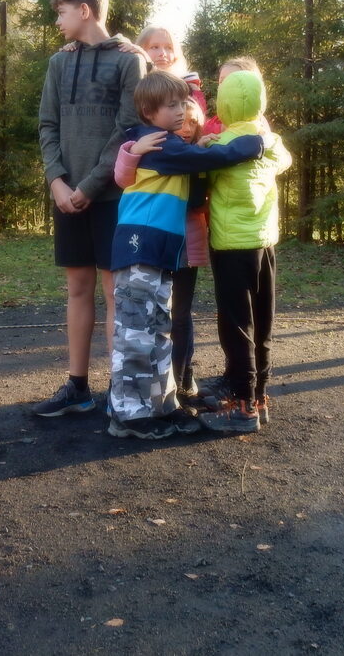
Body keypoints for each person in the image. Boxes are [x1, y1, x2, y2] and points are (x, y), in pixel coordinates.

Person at [106, 72, 264, 439]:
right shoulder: (159, 144)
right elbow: (218, 157)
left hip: (159, 251)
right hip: (140, 247)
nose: (181, 111)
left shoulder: (166, 144)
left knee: (158, 329)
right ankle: (128, 415)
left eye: (183, 103)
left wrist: (200, 147)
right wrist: (254, 143)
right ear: (149, 111)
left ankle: (161, 405)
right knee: (136, 333)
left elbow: (194, 176)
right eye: (171, 105)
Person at [34, 0, 148, 417]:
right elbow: (48, 125)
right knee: (77, 289)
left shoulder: (129, 61)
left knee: (114, 291)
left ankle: (120, 389)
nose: (57, 21)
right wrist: (57, 181)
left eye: (61, 12)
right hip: (66, 195)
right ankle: (78, 386)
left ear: (84, 10)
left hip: (113, 198)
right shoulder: (59, 62)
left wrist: (90, 186)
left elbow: (127, 130)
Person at [198, 70, 292, 433]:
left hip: (231, 246)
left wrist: (203, 145)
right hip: (265, 243)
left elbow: (200, 179)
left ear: (223, 104)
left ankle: (242, 405)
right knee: (262, 320)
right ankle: (259, 396)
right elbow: (285, 161)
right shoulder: (270, 141)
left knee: (237, 324)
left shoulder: (218, 146)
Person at [115, 96, 209, 405]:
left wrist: (198, 161)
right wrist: (132, 151)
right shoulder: (150, 147)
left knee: (175, 318)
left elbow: (197, 201)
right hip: (151, 246)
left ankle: (176, 386)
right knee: (147, 322)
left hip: (183, 250)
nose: (186, 126)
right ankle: (140, 401)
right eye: (180, 117)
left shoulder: (194, 158)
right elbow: (122, 177)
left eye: (193, 121)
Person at [136, 25, 207, 113]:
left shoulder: (188, 86)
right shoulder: (133, 82)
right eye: (155, 47)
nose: (163, 53)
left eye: (169, 48)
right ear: (141, 50)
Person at [203, 56, 261, 136]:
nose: (225, 86)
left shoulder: (257, 123)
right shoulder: (212, 123)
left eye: (232, 81)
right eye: (222, 81)